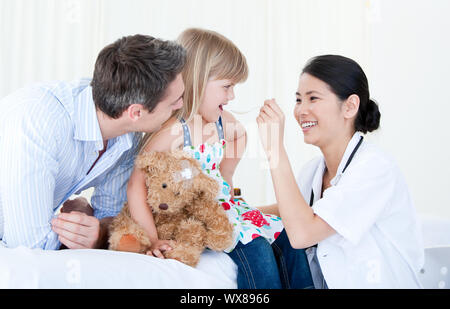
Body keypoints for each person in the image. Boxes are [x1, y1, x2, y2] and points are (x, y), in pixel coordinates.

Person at [126, 28, 313, 289]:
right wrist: (153, 239)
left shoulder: (223, 122)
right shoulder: (174, 131)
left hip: (223, 206)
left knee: (289, 238)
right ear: (198, 80)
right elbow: (136, 186)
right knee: (256, 248)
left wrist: (226, 177)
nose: (232, 96)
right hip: (194, 216)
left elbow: (240, 137)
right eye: (226, 87)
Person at [0, 34, 186, 250]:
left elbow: (113, 219)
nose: (181, 105)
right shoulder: (40, 120)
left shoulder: (127, 135)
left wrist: (94, 231)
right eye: (175, 101)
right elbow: (30, 246)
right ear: (136, 112)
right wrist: (78, 233)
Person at [256, 55, 424, 288]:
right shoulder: (313, 171)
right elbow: (290, 211)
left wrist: (275, 148)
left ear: (350, 106)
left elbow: (302, 232)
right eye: (298, 100)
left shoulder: (374, 168)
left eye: (313, 98)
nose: (301, 110)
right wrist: (235, 210)